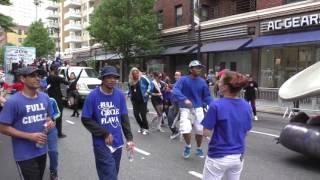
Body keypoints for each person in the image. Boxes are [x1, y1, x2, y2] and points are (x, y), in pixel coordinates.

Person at [0, 66, 55, 180]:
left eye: (38, 75)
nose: (37, 78)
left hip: (42, 150)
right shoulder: (13, 102)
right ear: (23, 79)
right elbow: (2, 127)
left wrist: (51, 123)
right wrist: (29, 136)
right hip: (24, 154)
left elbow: (50, 118)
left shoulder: (45, 97)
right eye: (32, 76)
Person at [81, 66, 134, 180]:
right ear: (103, 79)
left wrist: (129, 139)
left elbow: (124, 118)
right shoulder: (93, 96)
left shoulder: (120, 95)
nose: (112, 80)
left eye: (114, 77)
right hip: (101, 143)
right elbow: (85, 119)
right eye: (109, 77)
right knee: (110, 176)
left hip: (117, 142)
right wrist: (104, 133)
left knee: (111, 173)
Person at [202, 70, 252, 180]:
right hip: (238, 156)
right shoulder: (246, 106)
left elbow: (206, 132)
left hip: (218, 155)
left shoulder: (216, 105)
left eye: (220, 81)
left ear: (225, 87)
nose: (218, 83)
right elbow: (247, 130)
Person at [173, 60, 213, 158]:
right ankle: (188, 146)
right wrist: (184, 99)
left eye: (200, 67)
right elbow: (176, 90)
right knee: (185, 129)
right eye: (197, 67)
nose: (199, 69)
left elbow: (207, 96)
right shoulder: (183, 80)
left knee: (200, 130)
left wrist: (213, 105)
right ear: (191, 69)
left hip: (198, 109)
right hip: (186, 109)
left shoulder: (202, 82)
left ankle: (199, 148)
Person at [39, 79, 60, 180]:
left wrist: (52, 119)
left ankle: (53, 172)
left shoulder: (51, 100)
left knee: (53, 152)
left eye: (43, 88)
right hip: (38, 131)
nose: (42, 90)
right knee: (39, 154)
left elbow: (57, 112)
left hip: (51, 129)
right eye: (40, 88)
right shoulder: (31, 101)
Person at [128, 67, 152, 135]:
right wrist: (128, 94)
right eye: (134, 73)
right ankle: (141, 127)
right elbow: (130, 89)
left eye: (137, 73)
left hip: (143, 99)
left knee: (143, 114)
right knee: (136, 114)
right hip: (134, 100)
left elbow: (150, 84)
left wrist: (147, 92)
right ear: (132, 74)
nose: (136, 74)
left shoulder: (143, 78)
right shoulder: (130, 80)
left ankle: (146, 128)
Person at [47, 64, 69, 138]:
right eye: (57, 69)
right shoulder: (57, 77)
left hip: (49, 99)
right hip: (57, 99)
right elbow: (66, 82)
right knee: (59, 115)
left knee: (50, 115)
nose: (58, 70)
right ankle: (59, 133)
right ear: (55, 69)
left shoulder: (48, 77)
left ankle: (49, 131)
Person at [167, 71, 182, 139]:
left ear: (180, 76)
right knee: (170, 117)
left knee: (174, 118)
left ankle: (176, 131)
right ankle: (175, 131)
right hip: (173, 104)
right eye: (175, 75)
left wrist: (171, 90)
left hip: (178, 104)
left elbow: (179, 92)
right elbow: (172, 86)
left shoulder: (182, 84)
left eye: (178, 75)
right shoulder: (176, 83)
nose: (176, 76)